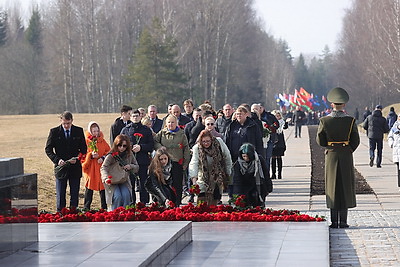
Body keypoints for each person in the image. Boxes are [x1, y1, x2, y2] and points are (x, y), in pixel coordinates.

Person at [316, 87, 360, 228]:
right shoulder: (351, 121)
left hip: (332, 155)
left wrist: (330, 147)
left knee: (332, 186)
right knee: (345, 185)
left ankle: (334, 221)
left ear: (332, 104)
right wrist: (348, 149)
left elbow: (320, 140)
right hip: (346, 154)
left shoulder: (324, 120)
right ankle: (343, 221)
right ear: (344, 105)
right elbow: (356, 140)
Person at [45, 111, 87, 212]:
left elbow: (84, 149)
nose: (66, 125)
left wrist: (77, 158)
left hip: (74, 167)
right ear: (61, 121)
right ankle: (61, 213)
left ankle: (73, 213)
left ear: (72, 121)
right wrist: (57, 160)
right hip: (61, 168)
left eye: (68, 123)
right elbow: (48, 149)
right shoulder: (54, 132)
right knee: (61, 194)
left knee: (74, 194)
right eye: (64, 123)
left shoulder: (78, 131)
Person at [154, 114, 191, 206]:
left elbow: (186, 148)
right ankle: (165, 203)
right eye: (169, 122)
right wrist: (160, 147)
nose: (171, 124)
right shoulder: (162, 133)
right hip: (164, 164)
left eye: (173, 122)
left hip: (177, 163)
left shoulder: (181, 134)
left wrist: (185, 164)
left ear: (176, 123)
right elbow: (155, 141)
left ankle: (177, 204)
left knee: (177, 185)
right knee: (164, 185)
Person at [189, 130, 232, 205]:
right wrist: (194, 180)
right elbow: (194, 163)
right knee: (201, 197)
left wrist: (228, 173)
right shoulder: (197, 148)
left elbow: (227, 157)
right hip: (203, 175)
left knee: (214, 198)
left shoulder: (219, 143)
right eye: (204, 141)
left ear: (211, 139)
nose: (206, 143)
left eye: (208, 141)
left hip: (217, 175)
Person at [121, 110, 154, 204]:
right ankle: (131, 203)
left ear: (140, 117)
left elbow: (151, 145)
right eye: (133, 116)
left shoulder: (146, 130)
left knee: (143, 183)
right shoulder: (125, 130)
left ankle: (144, 204)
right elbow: (119, 145)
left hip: (142, 161)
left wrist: (141, 147)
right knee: (130, 184)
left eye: (137, 116)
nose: (135, 118)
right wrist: (129, 148)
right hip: (129, 161)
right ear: (130, 117)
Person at [100, 134, 139, 211]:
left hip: (123, 180)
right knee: (117, 196)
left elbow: (136, 166)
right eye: (119, 145)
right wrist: (106, 178)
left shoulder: (129, 154)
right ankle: (115, 214)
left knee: (126, 195)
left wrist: (130, 166)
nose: (121, 148)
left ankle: (125, 214)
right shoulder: (111, 155)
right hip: (112, 181)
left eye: (124, 146)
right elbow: (103, 167)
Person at [82, 121, 110, 210]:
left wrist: (103, 158)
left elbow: (109, 152)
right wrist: (90, 155)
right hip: (90, 168)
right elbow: (82, 155)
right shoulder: (86, 141)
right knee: (89, 188)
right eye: (94, 131)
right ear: (90, 131)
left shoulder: (102, 140)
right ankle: (86, 207)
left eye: (97, 131)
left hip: (100, 167)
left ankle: (104, 208)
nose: (96, 133)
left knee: (102, 188)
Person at [232, 143, 271, 207]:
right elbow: (237, 179)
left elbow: (265, 173)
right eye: (244, 156)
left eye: (247, 156)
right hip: (244, 188)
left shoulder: (259, 160)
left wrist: (268, 186)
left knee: (259, 207)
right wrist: (237, 194)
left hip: (258, 186)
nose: (245, 158)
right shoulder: (238, 163)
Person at [271, 110, 288, 179]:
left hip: (280, 141)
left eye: (278, 116)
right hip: (273, 140)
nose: (277, 117)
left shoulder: (282, 122)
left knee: (279, 157)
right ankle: (273, 173)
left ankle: (279, 174)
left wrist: (286, 123)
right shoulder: (271, 122)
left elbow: (284, 127)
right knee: (273, 158)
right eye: (276, 116)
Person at [388, 114, 400, 187]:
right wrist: (391, 144)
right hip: (397, 150)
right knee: (399, 169)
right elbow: (390, 136)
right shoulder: (394, 127)